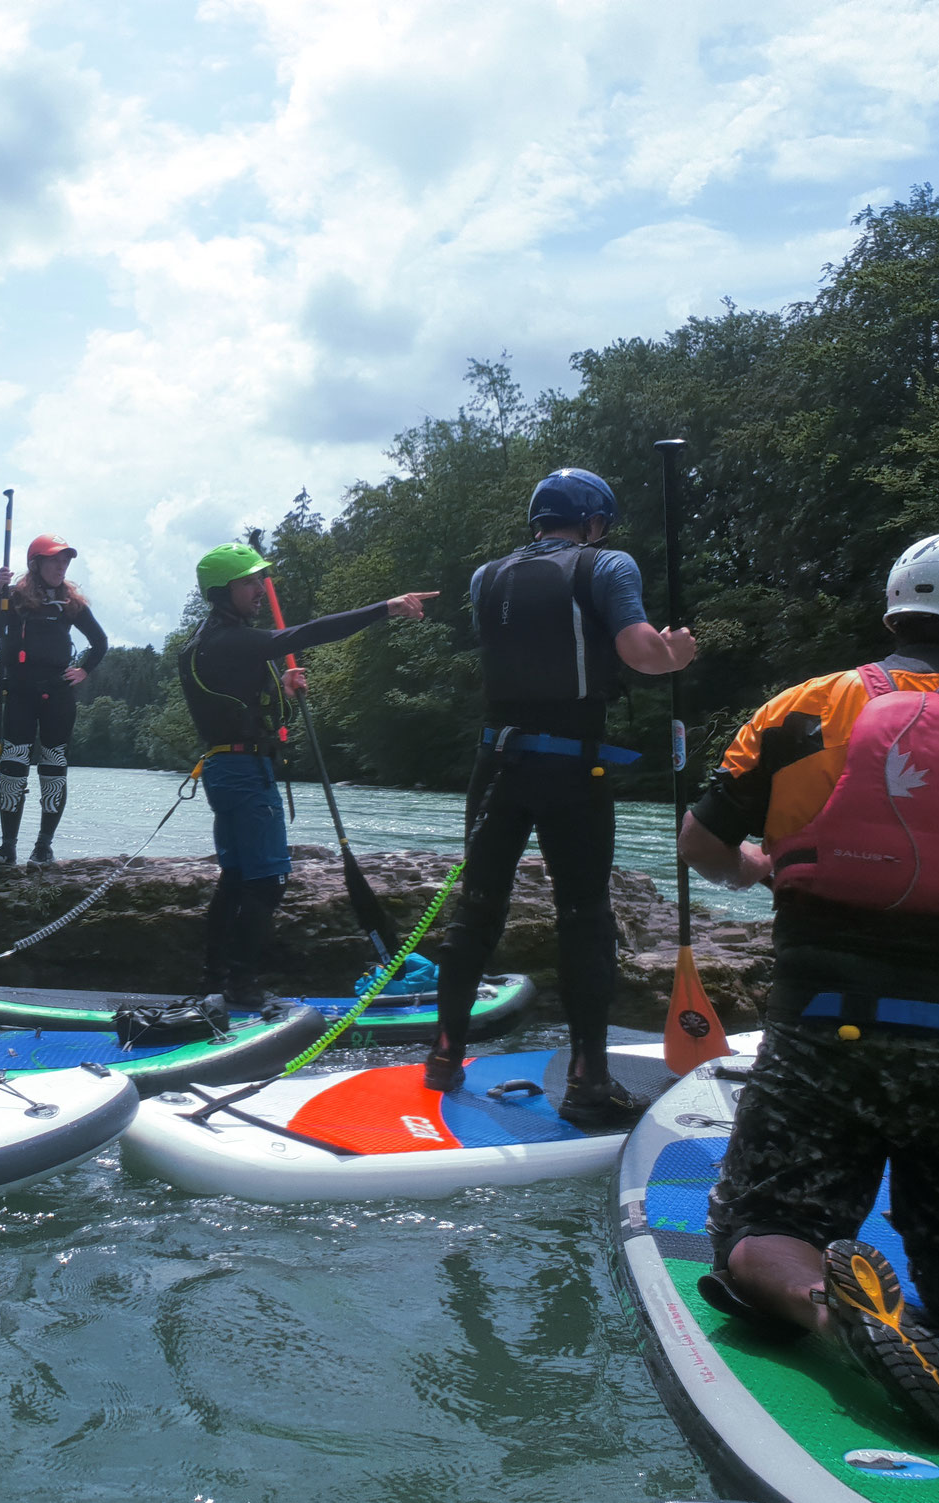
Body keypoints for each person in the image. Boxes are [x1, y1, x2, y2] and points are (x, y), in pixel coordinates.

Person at [680, 531, 939, 1447]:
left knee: (760, 1227)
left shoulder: (799, 709)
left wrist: (764, 867)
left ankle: (829, 1309)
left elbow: (701, 847)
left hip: (822, 1029)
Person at [421, 468, 695, 1124]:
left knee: (477, 907)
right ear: (594, 521)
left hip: (496, 764)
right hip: (573, 770)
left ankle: (444, 1052)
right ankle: (588, 1080)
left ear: (539, 520)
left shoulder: (486, 576)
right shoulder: (608, 565)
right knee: (583, 917)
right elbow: (639, 653)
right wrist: (677, 654)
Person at [179, 540, 436, 1009]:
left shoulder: (210, 641)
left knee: (236, 879)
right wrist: (385, 607)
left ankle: (213, 983)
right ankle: (241, 987)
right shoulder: (228, 640)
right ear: (222, 591)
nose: (260, 588)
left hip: (228, 767)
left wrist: (282, 685)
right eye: (249, 581)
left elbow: (243, 706)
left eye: (260, 580)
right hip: (242, 772)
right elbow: (307, 633)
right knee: (268, 880)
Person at [0, 533, 108, 865]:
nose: (61, 566)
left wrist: (83, 670)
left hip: (58, 694)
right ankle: (8, 846)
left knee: (53, 767)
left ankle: (43, 846)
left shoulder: (71, 603)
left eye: (65, 560)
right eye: (55, 560)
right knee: (13, 767)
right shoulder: (14, 598)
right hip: (21, 691)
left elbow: (99, 642)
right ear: (35, 564)